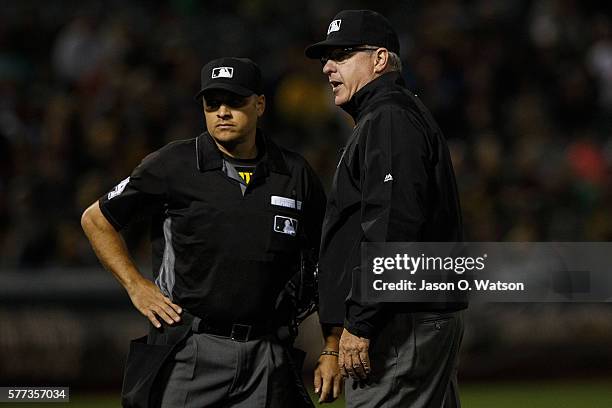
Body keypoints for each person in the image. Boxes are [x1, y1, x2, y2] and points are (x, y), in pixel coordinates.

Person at [81, 57, 326, 408]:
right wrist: (136, 285)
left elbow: (326, 255)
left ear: (260, 104)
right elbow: (96, 219)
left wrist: (332, 344)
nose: (222, 112)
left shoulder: (294, 173)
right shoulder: (173, 164)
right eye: (213, 104)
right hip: (191, 347)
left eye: (234, 101)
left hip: (268, 352)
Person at [305, 10, 467, 407]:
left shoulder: (390, 117)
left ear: (380, 59)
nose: (327, 67)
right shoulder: (390, 115)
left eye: (342, 55)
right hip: (409, 313)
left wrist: (360, 322)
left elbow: (393, 227)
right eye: (327, 58)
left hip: (397, 321)